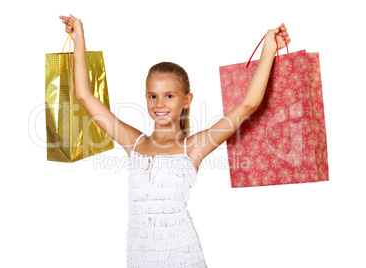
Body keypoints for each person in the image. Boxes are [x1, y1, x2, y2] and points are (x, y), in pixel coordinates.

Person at [59, 14, 290, 268]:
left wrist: (269, 47)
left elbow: (249, 105)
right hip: (138, 258)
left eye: (169, 96)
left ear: (186, 100)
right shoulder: (133, 143)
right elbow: (83, 95)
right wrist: (79, 37)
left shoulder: (194, 147)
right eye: (152, 96)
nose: (159, 104)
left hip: (182, 257)